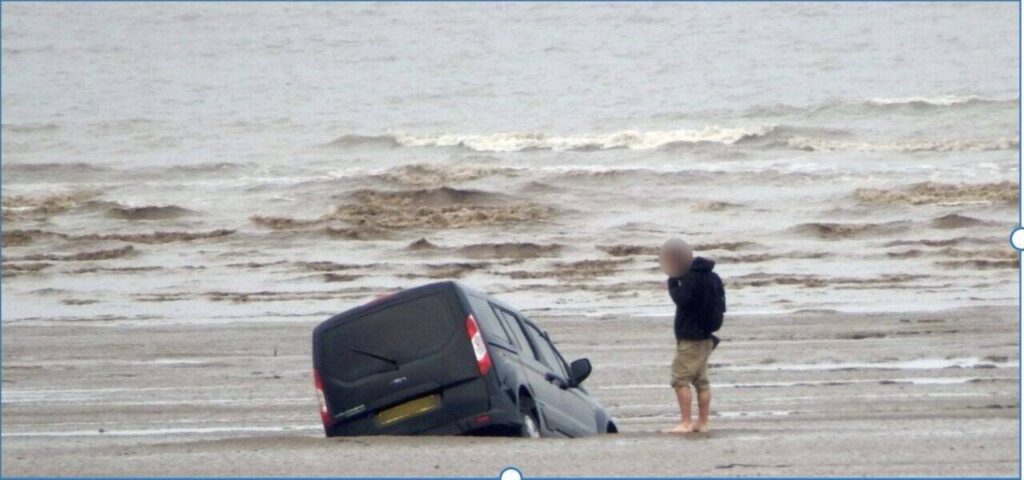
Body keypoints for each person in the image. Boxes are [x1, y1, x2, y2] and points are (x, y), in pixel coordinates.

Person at [659, 238, 726, 434]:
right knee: (701, 381)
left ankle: (686, 422)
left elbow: (682, 300)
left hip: (691, 338)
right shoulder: (713, 277)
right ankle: (702, 422)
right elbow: (722, 305)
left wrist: (672, 283)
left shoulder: (689, 277)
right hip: (707, 336)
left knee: (680, 379)